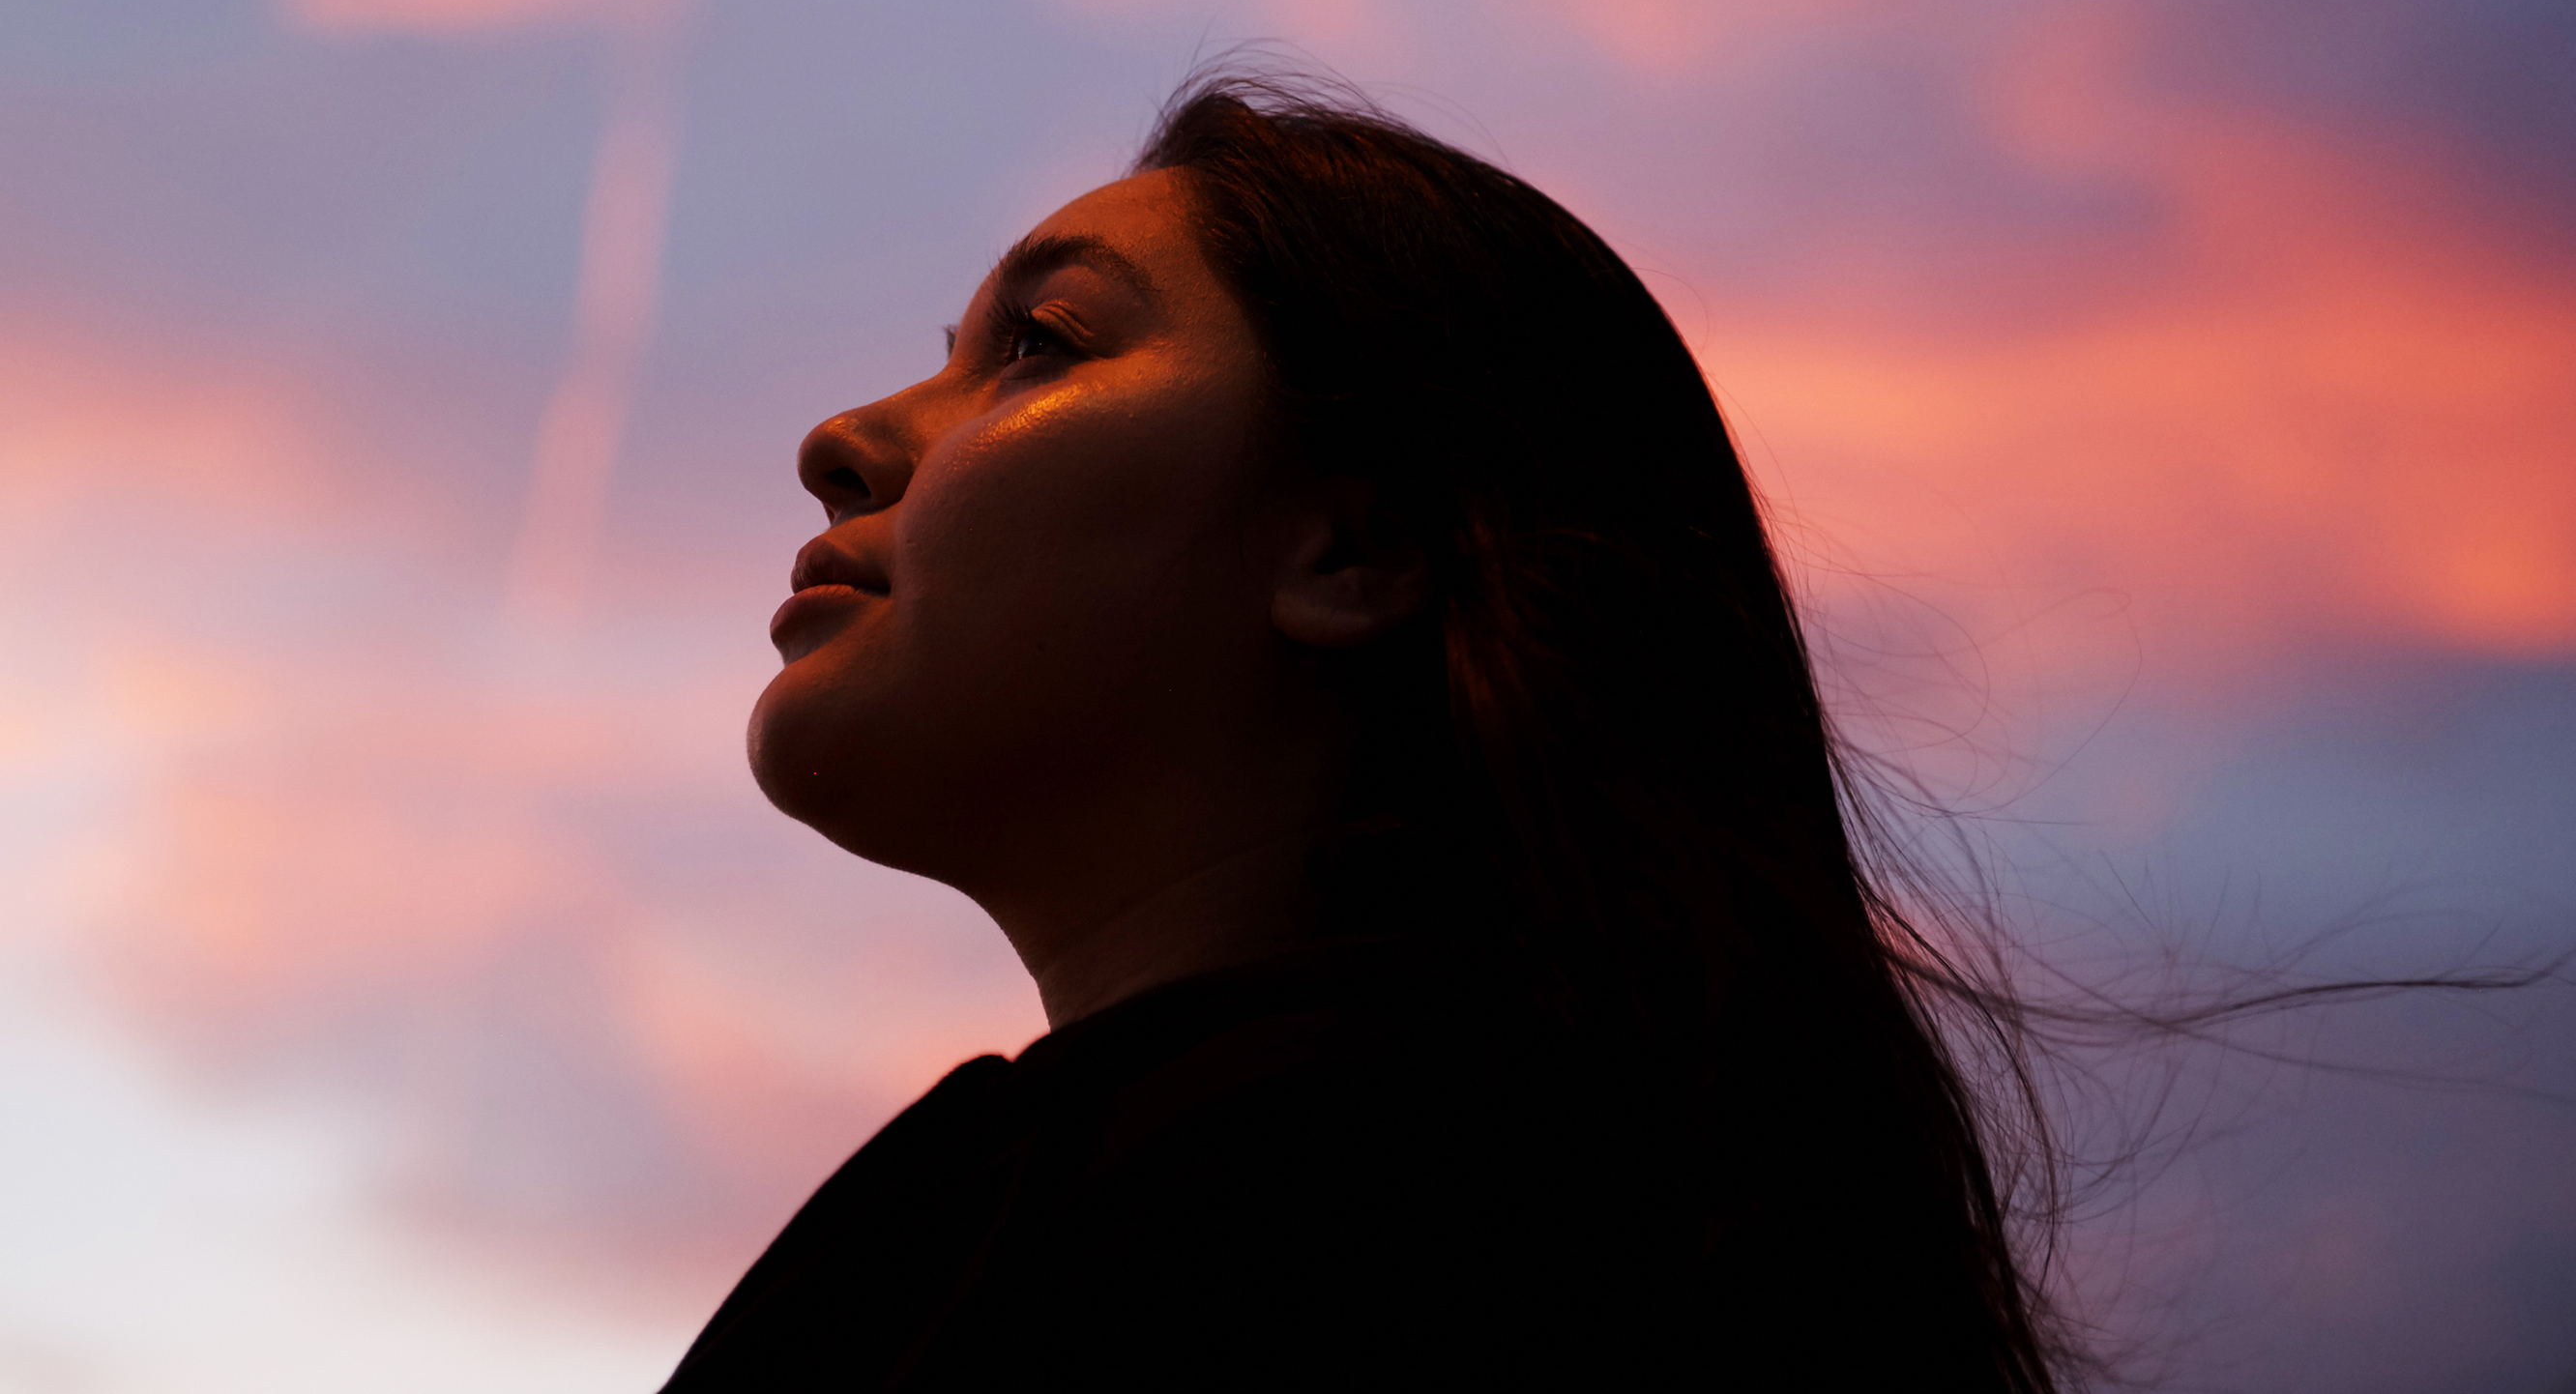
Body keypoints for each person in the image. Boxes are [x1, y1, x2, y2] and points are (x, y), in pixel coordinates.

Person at [660, 71, 2067, 1391]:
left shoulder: (1312, 1230)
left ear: (1353, 545)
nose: (840, 436)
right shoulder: (1576, 1206)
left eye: (1038, 346)